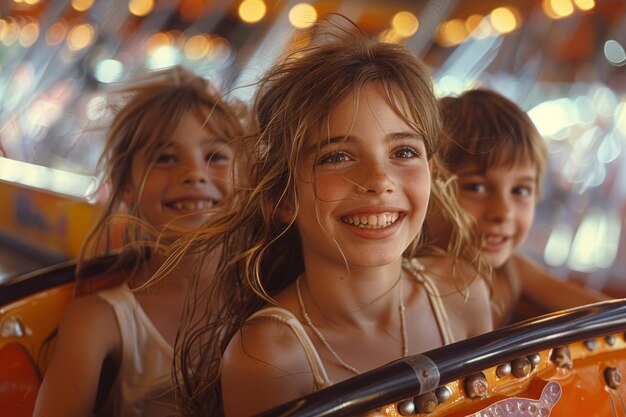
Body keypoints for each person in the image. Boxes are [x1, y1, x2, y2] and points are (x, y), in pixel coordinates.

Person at [170, 15, 493, 417]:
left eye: (403, 152)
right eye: (337, 156)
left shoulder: (461, 292)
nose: (378, 181)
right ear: (282, 195)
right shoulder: (270, 357)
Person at [33, 66, 245, 417]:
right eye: (165, 158)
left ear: (247, 173)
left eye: (215, 156)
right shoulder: (98, 320)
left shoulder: (277, 290)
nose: (194, 172)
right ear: (124, 184)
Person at [435, 88, 609, 327]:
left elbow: (609, 318)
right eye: (475, 187)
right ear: (429, 189)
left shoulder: (511, 271)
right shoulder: (401, 283)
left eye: (520, 190)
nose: (503, 212)